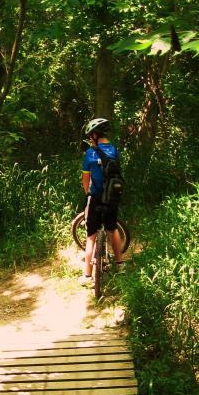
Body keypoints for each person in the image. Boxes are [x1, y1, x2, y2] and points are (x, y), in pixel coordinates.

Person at [80, 117, 123, 280]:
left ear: (95, 135)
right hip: (112, 196)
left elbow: (86, 181)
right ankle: (120, 265)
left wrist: (88, 194)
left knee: (91, 236)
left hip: (96, 197)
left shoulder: (90, 154)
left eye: (91, 135)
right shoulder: (114, 150)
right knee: (112, 229)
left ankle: (87, 275)